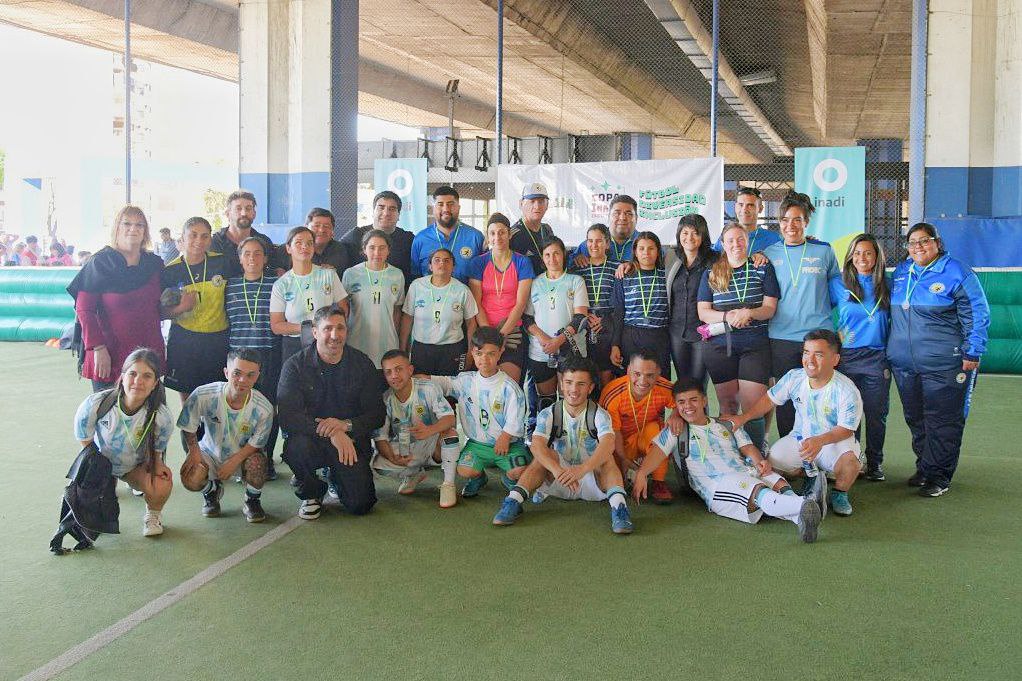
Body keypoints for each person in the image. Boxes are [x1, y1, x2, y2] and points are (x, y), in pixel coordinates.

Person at [634, 377, 824, 543]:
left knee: (774, 479)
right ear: (676, 405)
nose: (688, 406)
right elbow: (657, 452)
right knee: (758, 490)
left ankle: (801, 516)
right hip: (717, 485)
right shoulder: (676, 430)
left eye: (693, 400)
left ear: (704, 400)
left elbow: (747, 447)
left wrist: (760, 462)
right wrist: (642, 473)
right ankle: (806, 503)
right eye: (681, 402)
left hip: (745, 470)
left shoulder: (725, 423)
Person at [888, 222, 990, 497]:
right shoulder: (901, 272)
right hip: (905, 365)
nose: (918, 247)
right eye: (912, 242)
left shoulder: (957, 272)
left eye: (925, 240)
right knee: (916, 418)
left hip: (945, 364)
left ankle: (939, 476)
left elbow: (977, 312)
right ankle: (925, 467)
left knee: (943, 421)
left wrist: (973, 351)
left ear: (937, 242)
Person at [725, 330, 863, 516]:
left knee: (850, 465)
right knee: (773, 463)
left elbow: (846, 429)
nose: (810, 360)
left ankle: (839, 493)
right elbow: (769, 400)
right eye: (806, 352)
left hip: (833, 441)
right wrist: (744, 417)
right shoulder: (794, 377)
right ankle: (811, 474)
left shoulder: (847, 390)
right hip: (801, 439)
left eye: (818, 354)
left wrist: (820, 441)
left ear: (835, 359)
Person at [491, 357, 634, 534]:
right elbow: (536, 446)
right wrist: (557, 470)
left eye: (581, 384)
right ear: (561, 385)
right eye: (569, 382)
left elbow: (608, 444)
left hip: (592, 481)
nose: (574, 389)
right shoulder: (549, 413)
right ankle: (513, 501)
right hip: (559, 479)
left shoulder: (600, 414)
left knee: (607, 459)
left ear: (590, 388)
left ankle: (619, 508)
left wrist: (582, 469)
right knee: (544, 455)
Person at [277, 306, 386, 520]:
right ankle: (312, 492)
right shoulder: (294, 366)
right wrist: (333, 432)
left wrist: (346, 426)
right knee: (296, 448)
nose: (335, 335)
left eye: (340, 328)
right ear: (315, 332)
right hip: (311, 440)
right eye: (327, 328)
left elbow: (377, 413)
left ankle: (336, 477)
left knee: (361, 505)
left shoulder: (362, 363)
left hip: (349, 442)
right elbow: (288, 416)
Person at [72, 348, 175, 537]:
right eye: (132, 374)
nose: (138, 381)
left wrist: (157, 466)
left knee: (161, 482)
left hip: (133, 468)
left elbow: (156, 452)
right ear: (122, 377)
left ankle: (153, 515)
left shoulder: (162, 417)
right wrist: (99, 478)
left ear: (155, 384)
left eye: (147, 376)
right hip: (99, 465)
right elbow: (86, 446)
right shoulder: (95, 404)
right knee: (89, 520)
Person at [763, 191, 840, 437]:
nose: (791, 225)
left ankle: (824, 449)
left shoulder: (824, 251)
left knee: (822, 395)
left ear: (806, 222)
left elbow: (837, 291)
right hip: (782, 337)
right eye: (785, 220)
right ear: (779, 223)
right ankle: (790, 448)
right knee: (786, 399)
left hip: (818, 336)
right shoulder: (768, 254)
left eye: (797, 219)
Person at [696, 223, 780, 449]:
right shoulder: (711, 273)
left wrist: (750, 313)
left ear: (748, 241)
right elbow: (703, 312)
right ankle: (730, 453)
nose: (736, 244)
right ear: (723, 245)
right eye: (730, 240)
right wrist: (728, 317)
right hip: (720, 346)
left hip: (755, 345)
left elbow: (769, 308)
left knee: (753, 406)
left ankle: (757, 454)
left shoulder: (762, 268)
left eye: (740, 239)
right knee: (728, 406)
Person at [68, 205, 165, 391]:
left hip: (148, 351)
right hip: (109, 353)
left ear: (145, 231)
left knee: (148, 408)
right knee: (108, 408)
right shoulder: (100, 262)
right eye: (127, 224)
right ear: (117, 228)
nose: (133, 229)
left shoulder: (154, 264)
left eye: (139, 225)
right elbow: (84, 309)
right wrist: (98, 348)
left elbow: (160, 306)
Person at [427, 327, 530, 498]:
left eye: (491, 354)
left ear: (501, 352)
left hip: (508, 445)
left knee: (520, 471)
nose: (484, 359)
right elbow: (444, 383)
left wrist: (505, 437)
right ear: (473, 353)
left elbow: (516, 419)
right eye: (479, 353)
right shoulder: (466, 380)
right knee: (464, 470)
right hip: (477, 445)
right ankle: (478, 478)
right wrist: (415, 379)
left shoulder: (510, 388)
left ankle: (509, 479)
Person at [177, 349, 274, 523]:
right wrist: (194, 453)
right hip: (209, 453)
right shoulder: (203, 394)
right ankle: (211, 492)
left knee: (258, 464)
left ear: (257, 377)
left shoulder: (264, 408)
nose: (243, 380)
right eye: (237, 373)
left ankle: (252, 500)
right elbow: (187, 425)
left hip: (243, 457)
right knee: (189, 477)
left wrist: (233, 462)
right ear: (226, 372)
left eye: (250, 375)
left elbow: (257, 443)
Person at [829, 234, 891, 482]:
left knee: (876, 413)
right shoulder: (838, 283)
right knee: (849, 414)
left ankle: (875, 463)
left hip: (878, 357)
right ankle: (852, 461)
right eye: (857, 253)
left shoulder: (888, 284)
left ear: (877, 257)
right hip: (847, 358)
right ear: (850, 257)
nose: (862, 258)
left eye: (867, 253)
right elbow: (818, 309)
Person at [224, 236, 282, 478]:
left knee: (268, 408)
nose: (252, 258)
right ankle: (239, 459)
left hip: (268, 354)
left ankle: (266, 458)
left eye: (258, 253)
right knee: (238, 407)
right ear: (239, 259)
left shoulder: (277, 283)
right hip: (238, 355)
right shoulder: (230, 285)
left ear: (265, 258)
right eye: (247, 253)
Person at [372, 350, 459, 507]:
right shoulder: (386, 399)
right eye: (388, 372)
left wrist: (429, 430)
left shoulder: (428, 388)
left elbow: (449, 418)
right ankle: (414, 474)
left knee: (450, 434)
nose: (394, 376)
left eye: (399, 369)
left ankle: (448, 485)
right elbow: (380, 438)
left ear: (410, 370)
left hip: (433, 442)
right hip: (407, 447)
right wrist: (392, 458)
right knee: (378, 463)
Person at [161, 217, 231, 410]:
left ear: (210, 239)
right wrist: (181, 308)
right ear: (182, 239)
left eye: (204, 236)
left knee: (216, 399)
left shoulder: (222, 262)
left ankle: (213, 431)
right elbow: (159, 313)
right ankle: (191, 432)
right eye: (193, 235)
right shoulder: (170, 271)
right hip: (185, 341)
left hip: (218, 339)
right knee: (189, 403)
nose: (199, 241)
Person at [599, 352, 679, 504]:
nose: (642, 381)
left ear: (658, 373)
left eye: (650, 375)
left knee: (658, 429)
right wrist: (623, 458)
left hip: (646, 437)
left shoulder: (665, 387)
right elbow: (612, 432)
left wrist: (675, 414)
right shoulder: (613, 392)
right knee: (611, 481)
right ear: (629, 370)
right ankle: (628, 472)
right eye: (637, 374)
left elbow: (683, 402)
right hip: (620, 442)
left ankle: (659, 481)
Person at [524, 237, 589, 417]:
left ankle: (569, 433)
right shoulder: (535, 283)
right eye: (547, 255)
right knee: (546, 401)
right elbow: (527, 318)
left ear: (563, 255)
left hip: (571, 351)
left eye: (556, 254)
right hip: (541, 351)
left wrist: (558, 342)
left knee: (571, 399)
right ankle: (547, 432)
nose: (552, 259)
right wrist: (544, 339)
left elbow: (580, 318)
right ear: (542, 258)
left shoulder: (576, 281)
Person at [468, 213, 534, 383]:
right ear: (488, 236)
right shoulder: (478, 263)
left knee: (508, 387)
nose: (497, 237)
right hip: (485, 332)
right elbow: (476, 303)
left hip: (512, 332)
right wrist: (491, 337)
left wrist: (502, 335)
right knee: (487, 387)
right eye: (492, 233)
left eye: (502, 232)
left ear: (509, 234)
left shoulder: (522, 262)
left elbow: (521, 303)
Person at [270, 226, 349, 360]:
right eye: (298, 243)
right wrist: (308, 327)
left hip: (327, 339)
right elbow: (276, 326)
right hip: (294, 345)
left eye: (309, 243)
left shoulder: (328, 275)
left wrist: (331, 329)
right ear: (288, 248)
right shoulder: (281, 284)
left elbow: (344, 309)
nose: (304, 247)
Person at [400, 248, 479, 377]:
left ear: (453, 267)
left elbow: (471, 323)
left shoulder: (462, 290)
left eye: (447, 261)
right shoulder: (417, 286)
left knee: (450, 388)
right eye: (437, 260)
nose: (442, 263)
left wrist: (470, 353)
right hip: (422, 349)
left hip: (452, 349)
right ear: (430, 266)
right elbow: (407, 318)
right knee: (421, 386)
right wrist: (402, 349)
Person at [341, 229, 405, 368]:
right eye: (372, 248)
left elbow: (397, 311)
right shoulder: (351, 274)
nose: (377, 253)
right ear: (364, 249)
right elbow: (343, 310)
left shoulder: (397, 275)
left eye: (382, 248)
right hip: (356, 343)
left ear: (388, 250)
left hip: (387, 344)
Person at [610, 231, 669, 377]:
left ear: (658, 251)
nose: (646, 253)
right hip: (631, 336)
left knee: (659, 380)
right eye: (641, 248)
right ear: (635, 252)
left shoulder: (666, 275)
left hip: (659, 336)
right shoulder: (624, 275)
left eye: (651, 248)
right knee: (631, 379)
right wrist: (615, 344)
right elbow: (618, 312)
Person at [667, 213, 716, 389]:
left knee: (698, 386)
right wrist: (627, 264)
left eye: (695, 233)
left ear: (703, 236)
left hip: (703, 334)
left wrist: (758, 256)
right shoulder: (670, 257)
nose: (689, 237)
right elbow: (644, 261)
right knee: (682, 384)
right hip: (677, 332)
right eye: (685, 232)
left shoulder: (715, 260)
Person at [571, 224, 619, 387]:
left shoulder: (617, 267)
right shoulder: (578, 268)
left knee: (606, 378)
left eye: (599, 241)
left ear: (607, 243)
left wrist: (606, 321)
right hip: (583, 327)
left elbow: (621, 302)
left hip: (607, 328)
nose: (594, 245)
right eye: (590, 241)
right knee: (585, 378)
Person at [410, 186, 485, 284]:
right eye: (440, 204)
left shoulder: (475, 237)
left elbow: (486, 274)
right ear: (433, 208)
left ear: (458, 208)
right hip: (429, 294)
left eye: (450, 204)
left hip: (467, 293)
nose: (446, 209)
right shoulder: (420, 239)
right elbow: (415, 277)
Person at [341, 192, 414, 283]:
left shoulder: (409, 240)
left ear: (398, 215)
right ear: (373, 212)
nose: (386, 213)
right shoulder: (355, 236)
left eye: (392, 209)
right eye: (381, 208)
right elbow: (335, 251)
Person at [210, 190, 281, 278]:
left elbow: (276, 270)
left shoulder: (264, 242)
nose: (244, 213)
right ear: (228, 214)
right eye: (238, 208)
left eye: (248, 208)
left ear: (254, 214)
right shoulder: (214, 243)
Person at [572, 194, 639, 267]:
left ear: (636, 218)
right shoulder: (592, 244)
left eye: (628, 214)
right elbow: (567, 262)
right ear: (609, 217)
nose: (622, 218)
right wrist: (575, 258)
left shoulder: (644, 242)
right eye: (617, 213)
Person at [713, 187, 781, 254]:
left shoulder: (774, 239)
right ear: (735, 207)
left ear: (760, 209)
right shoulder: (726, 237)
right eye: (741, 205)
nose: (744, 210)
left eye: (750, 205)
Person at [510, 182, 556, 274]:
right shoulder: (512, 235)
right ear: (521, 204)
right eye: (532, 201)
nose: (537, 206)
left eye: (541, 202)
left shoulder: (547, 229)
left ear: (547, 205)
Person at [297, 207, 353, 273]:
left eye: (326, 226)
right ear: (306, 227)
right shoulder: (294, 250)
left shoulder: (341, 250)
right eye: (316, 226)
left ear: (332, 230)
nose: (321, 230)